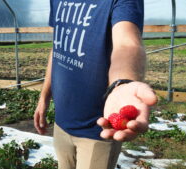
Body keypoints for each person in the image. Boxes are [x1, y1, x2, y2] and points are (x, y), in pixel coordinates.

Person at [34, 0, 157, 168]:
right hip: (61, 122)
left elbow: (126, 43)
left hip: (97, 130)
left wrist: (122, 83)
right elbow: (57, 48)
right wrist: (44, 97)